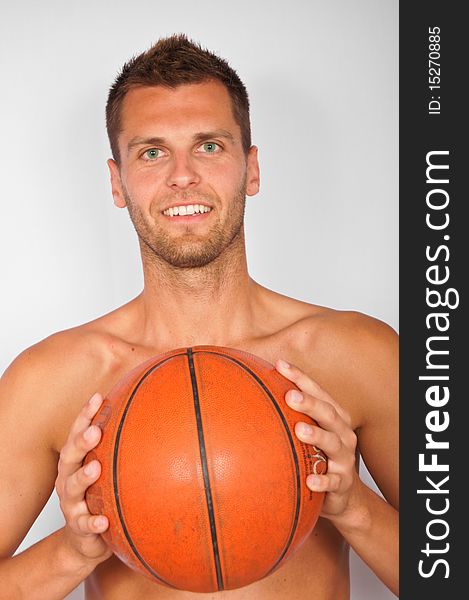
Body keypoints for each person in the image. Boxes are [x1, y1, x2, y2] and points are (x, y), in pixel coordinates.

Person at [0, 33, 398, 599]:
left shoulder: (356, 355)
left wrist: (354, 507)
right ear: (117, 182)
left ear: (251, 169)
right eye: (152, 151)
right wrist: (73, 549)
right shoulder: (50, 381)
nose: (182, 174)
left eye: (209, 146)